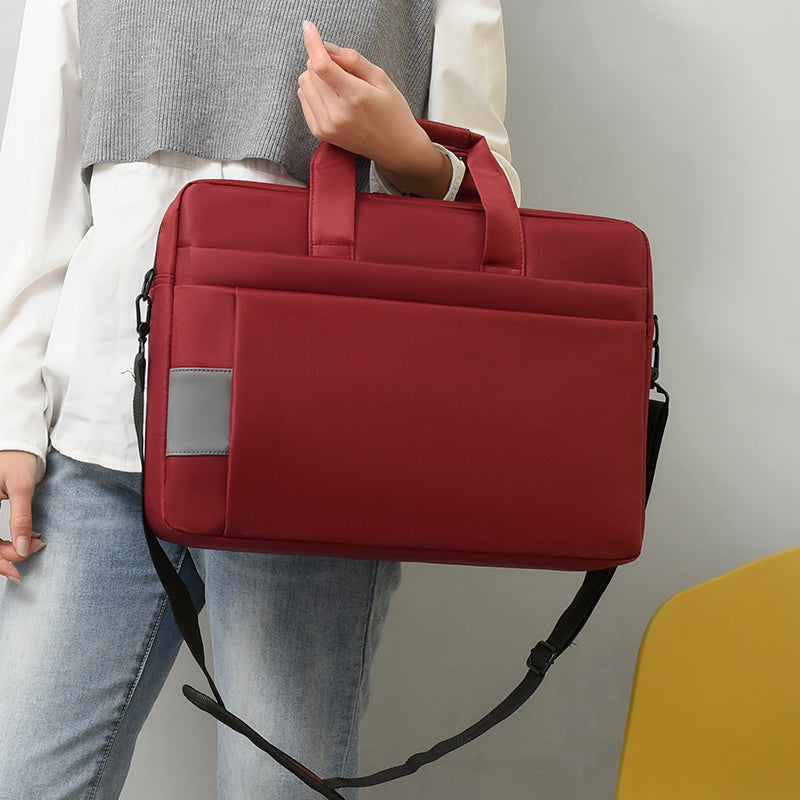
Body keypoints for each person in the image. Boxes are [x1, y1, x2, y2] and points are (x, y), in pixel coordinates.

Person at [0, 0, 520, 797]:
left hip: (313, 454)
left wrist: (408, 155)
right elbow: (39, 183)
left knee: (272, 787)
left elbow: (492, 199)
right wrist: (13, 418)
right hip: (104, 433)